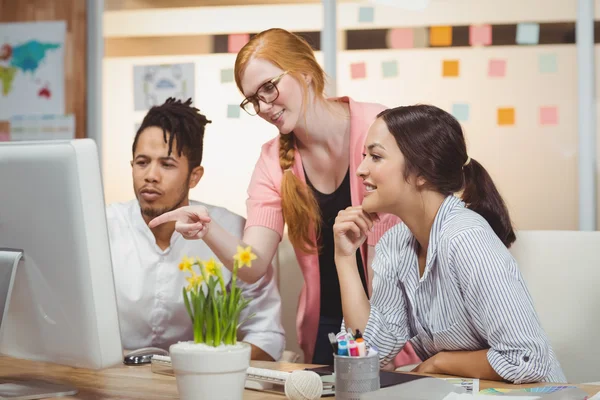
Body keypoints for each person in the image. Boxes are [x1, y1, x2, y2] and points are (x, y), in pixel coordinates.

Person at [148, 28, 420, 366]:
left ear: (305, 71)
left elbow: (396, 258)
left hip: (404, 329)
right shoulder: (272, 160)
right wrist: (207, 228)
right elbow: (252, 265)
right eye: (253, 99)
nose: (263, 106)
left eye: (268, 88)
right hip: (328, 333)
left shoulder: (379, 130)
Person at [333, 104, 566, 383]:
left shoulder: (466, 238)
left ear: (422, 173)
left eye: (376, 156)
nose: (360, 170)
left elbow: (528, 359)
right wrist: (345, 258)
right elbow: (370, 354)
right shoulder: (394, 244)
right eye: (363, 156)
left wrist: (439, 362)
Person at [106, 97, 285, 361]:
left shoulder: (231, 232)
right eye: (142, 162)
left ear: (194, 176)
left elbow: (266, 336)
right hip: (114, 379)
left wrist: (206, 368)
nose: (150, 176)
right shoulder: (103, 226)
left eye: (167, 164)